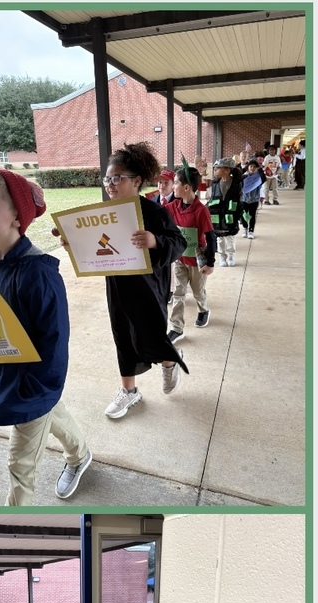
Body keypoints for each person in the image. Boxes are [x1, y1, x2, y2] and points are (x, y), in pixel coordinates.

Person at [0, 169, 91, 503]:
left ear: (16, 217)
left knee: (20, 466)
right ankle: (80, 454)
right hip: (7, 372)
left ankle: (12, 520)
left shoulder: (40, 273)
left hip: (34, 383)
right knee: (51, 413)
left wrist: (39, 390)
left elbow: (56, 340)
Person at [97, 143, 188, 419]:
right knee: (122, 335)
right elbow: (98, 244)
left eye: (117, 178)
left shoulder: (153, 212)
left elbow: (179, 243)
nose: (110, 184)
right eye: (107, 179)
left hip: (148, 286)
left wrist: (154, 240)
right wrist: (73, 241)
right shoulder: (105, 213)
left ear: (136, 181)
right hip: (117, 285)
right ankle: (129, 391)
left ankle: (169, 361)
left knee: (149, 334)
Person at [167, 164, 216, 345]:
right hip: (180, 259)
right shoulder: (174, 206)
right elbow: (158, 213)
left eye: (176, 183)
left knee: (197, 291)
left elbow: (210, 237)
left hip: (197, 260)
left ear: (186, 187)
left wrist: (210, 262)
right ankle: (176, 328)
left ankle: (203, 310)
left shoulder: (201, 210)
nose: (173, 186)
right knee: (178, 293)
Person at [208, 156, 242, 267]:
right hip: (217, 215)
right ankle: (222, 256)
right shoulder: (215, 184)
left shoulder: (237, 184)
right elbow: (212, 198)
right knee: (220, 238)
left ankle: (231, 255)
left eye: (217, 168)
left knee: (230, 237)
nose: (215, 171)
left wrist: (241, 214)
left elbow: (240, 200)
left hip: (230, 214)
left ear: (227, 170)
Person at [239, 159, 265, 240]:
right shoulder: (244, 177)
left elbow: (264, 178)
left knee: (252, 215)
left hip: (254, 200)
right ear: (248, 167)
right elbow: (238, 177)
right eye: (251, 166)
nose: (252, 168)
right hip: (244, 199)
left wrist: (260, 169)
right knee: (243, 215)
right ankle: (245, 228)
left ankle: (251, 230)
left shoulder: (258, 178)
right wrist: (244, 169)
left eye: (254, 167)